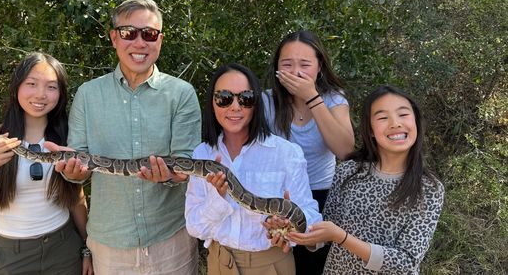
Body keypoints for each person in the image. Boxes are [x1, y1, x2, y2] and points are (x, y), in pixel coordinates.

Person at [45, 0, 202, 274]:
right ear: (114, 38)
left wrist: (169, 175)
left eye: (149, 34)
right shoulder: (88, 95)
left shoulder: (181, 94)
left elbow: (186, 163)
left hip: (171, 238)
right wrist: (73, 171)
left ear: (160, 40)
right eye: (129, 33)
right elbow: (79, 168)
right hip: (109, 242)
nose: (140, 43)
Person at [274, 85, 445, 274]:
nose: (395, 123)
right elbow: (325, 231)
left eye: (403, 115)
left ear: (416, 122)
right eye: (382, 117)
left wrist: (343, 238)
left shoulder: (428, 188)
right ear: (370, 130)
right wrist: (294, 224)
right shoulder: (349, 171)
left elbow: (405, 262)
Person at [0, 52, 92, 275]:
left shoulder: (67, 139)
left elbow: (76, 198)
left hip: (65, 249)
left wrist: (88, 247)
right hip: (11, 255)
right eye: (31, 84)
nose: (41, 94)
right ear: (16, 87)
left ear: (61, 93)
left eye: (51, 87)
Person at [185, 63, 322, 275]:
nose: (235, 107)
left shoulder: (286, 153)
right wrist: (217, 199)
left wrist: (289, 226)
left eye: (245, 98)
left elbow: (311, 217)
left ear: (256, 103)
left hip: (273, 265)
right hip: (219, 264)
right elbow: (194, 227)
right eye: (224, 98)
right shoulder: (202, 154)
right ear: (212, 102)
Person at [262, 30, 355, 274]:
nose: (296, 72)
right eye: (287, 64)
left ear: (319, 66)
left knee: (314, 267)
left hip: (323, 198)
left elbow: (345, 150)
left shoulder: (333, 99)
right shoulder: (266, 102)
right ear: (277, 68)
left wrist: (312, 97)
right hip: (278, 198)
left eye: (305, 64)